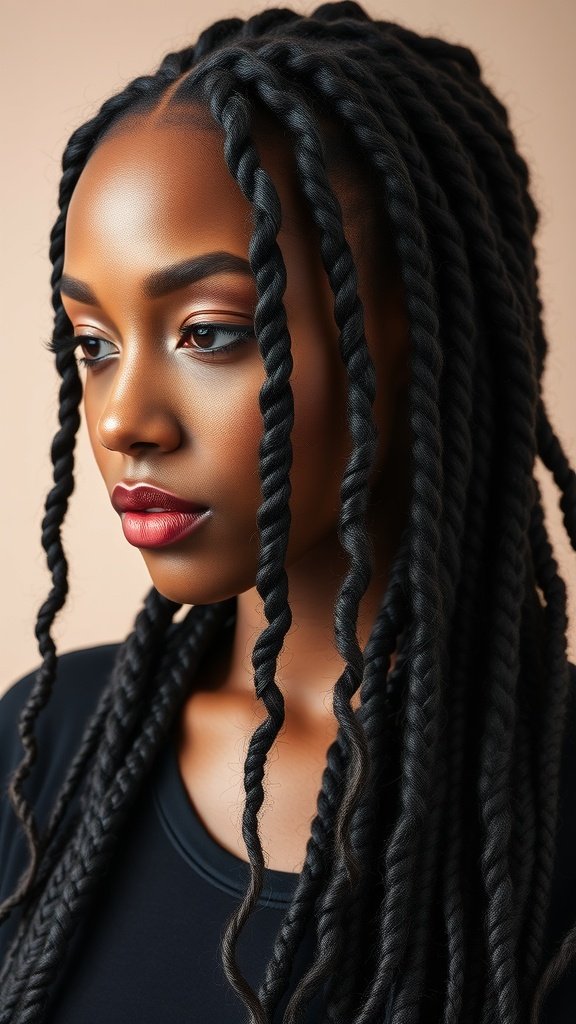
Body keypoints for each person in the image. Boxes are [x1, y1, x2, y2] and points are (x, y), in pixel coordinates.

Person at [1, 2, 575, 1021]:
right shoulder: (39, 750)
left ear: (412, 342)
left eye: (211, 332)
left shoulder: (555, 802)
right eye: (93, 343)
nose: (125, 418)